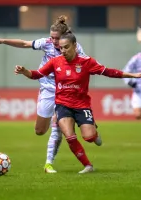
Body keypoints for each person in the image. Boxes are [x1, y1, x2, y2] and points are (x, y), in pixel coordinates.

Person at [14, 31, 141, 173]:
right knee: (70, 136)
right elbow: (37, 74)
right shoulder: (55, 62)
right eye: (61, 48)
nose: (63, 51)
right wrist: (25, 71)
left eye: (66, 47)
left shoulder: (87, 62)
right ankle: (88, 166)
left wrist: (134, 75)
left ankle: (95, 134)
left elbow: (109, 72)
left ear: (75, 46)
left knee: (89, 137)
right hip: (62, 104)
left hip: (82, 105)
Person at [0, 15, 101, 174]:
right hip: (47, 90)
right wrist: (2, 40)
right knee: (40, 130)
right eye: (52, 37)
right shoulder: (46, 43)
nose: (54, 41)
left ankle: (49, 164)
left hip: (65, 91)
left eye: (57, 38)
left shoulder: (76, 49)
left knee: (57, 126)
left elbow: (84, 66)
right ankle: (84, 123)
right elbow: (24, 43)